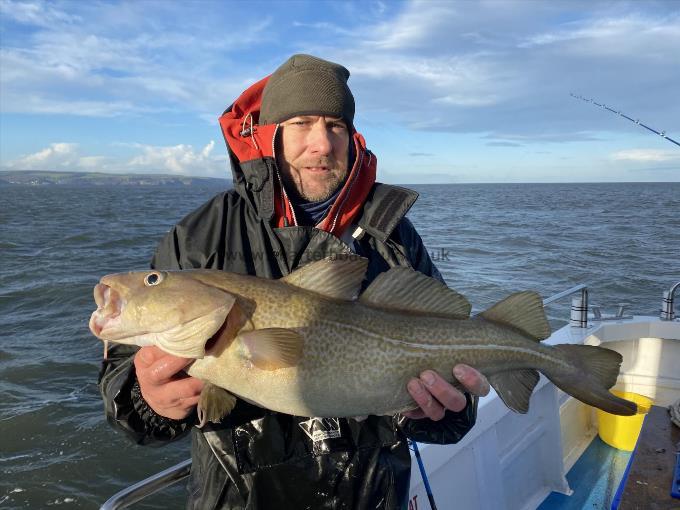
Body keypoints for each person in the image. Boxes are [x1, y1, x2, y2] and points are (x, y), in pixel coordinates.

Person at [99, 54, 490, 509]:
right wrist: (146, 400)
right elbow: (122, 391)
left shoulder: (394, 236)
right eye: (302, 122)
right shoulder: (199, 237)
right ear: (272, 134)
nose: (321, 143)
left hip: (374, 496)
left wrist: (445, 408)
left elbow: (447, 363)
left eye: (336, 126)